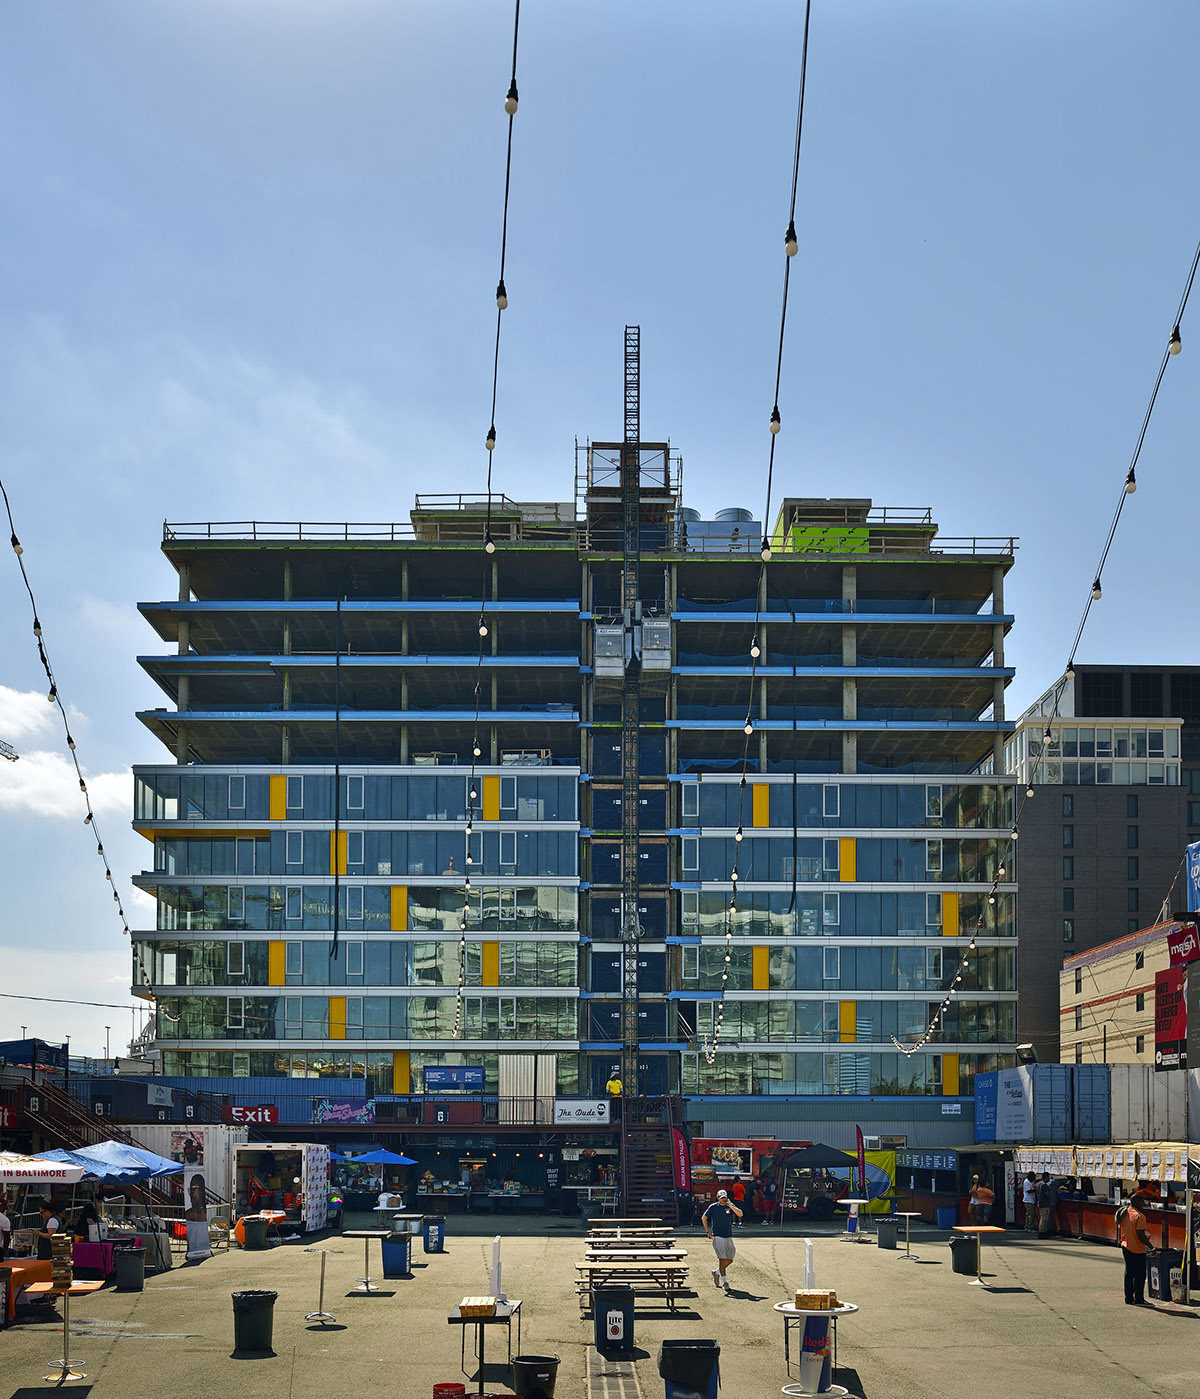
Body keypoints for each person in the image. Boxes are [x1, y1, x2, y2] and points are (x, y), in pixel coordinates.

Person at [1118, 1190, 1156, 1305]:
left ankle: (1128, 1298)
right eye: (1142, 1202)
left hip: (1125, 1245)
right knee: (1139, 1275)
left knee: (1129, 1272)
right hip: (1137, 1248)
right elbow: (1140, 1235)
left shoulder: (1124, 1212)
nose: (1144, 1204)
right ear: (1137, 1202)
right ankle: (1139, 1298)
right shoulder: (1140, 1216)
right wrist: (1151, 1247)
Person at [702, 1188, 742, 1293]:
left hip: (728, 1235)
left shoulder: (730, 1205)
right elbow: (704, 1218)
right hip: (717, 1235)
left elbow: (740, 1214)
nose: (723, 1200)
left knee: (730, 1259)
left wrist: (730, 1205)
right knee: (722, 1258)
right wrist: (707, 1231)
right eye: (721, 1198)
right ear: (718, 1198)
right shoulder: (713, 1207)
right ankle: (725, 1282)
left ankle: (717, 1272)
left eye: (725, 1197)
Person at [1036, 1172, 1057, 1237]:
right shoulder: (1044, 1185)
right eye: (1048, 1177)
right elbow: (1047, 1194)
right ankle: (1042, 1232)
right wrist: (1051, 1188)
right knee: (1044, 1219)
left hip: (1041, 1203)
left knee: (1043, 1218)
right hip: (1045, 1204)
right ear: (1045, 1177)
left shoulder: (1039, 1184)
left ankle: (1043, 1231)